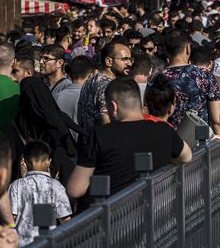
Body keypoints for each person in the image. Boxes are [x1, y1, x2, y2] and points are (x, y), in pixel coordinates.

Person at [67, 78, 191, 208]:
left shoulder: (101, 134)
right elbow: (186, 156)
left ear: (114, 107)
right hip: (149, 212)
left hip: (106, 217)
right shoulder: (164, 130)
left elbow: (75, 189)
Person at [8, 140, 72, 246]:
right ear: (48, 162)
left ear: (25, 162)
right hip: (48, 243)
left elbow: (11, 218)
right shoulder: (56, 186)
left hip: (22, 246)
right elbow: (65, 219)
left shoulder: (16, 185)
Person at [159, 31, 220, 136]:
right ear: (188, 48)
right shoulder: (205, 75)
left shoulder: (158, 78)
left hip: (170, 141)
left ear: (165, 51)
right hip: (201, 142)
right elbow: (217, 120)